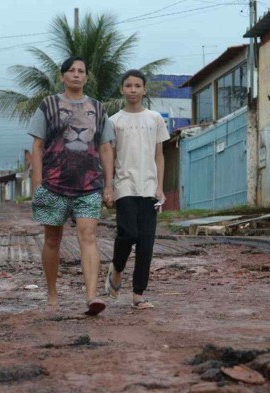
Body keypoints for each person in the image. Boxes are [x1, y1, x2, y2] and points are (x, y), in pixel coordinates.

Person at [27, 56, 114, 316]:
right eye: (71, 71)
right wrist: (37, 182)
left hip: (89, 186)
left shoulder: (98, 109)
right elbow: (37, 145)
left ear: (86, 77)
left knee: (88, 237)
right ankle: (52, 295)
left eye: (81, 71)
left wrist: (109, 185)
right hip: (54, 185)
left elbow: (106, 147)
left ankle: (91, 297)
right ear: (62, 76)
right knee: (52, 239)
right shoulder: (48, 105)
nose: (76, 75)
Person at [106, 69, 170, 309]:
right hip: (124, 186)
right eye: (128, 86)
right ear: (122, 89)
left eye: (137, 86)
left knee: (146, 242)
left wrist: (160, 188)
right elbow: (109, 156)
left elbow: (159, 156)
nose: (133, 90)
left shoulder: (154, 118)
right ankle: (117, 268)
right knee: (128, 234)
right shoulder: (114, 121)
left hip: (149, 187)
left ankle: (138, 295)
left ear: (144, 90)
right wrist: (108, 186)